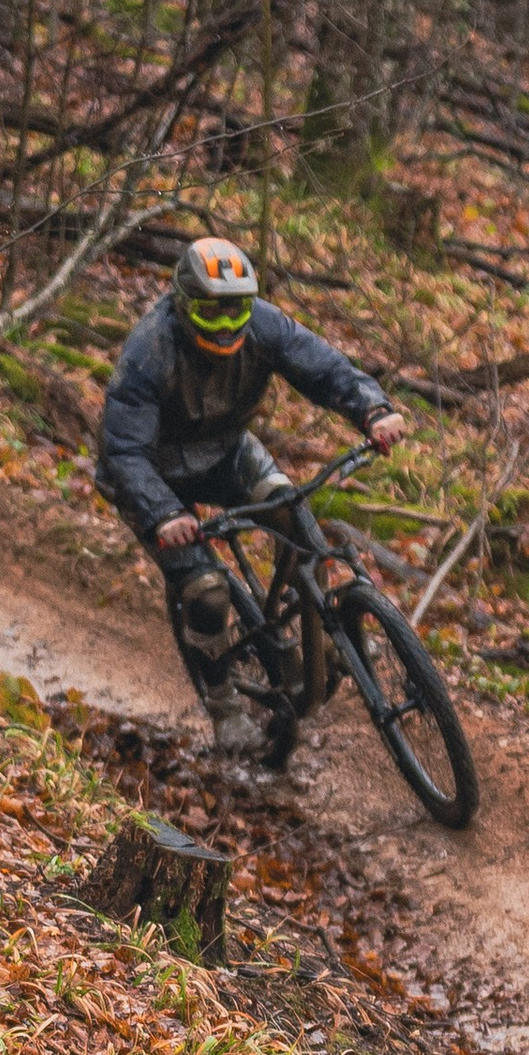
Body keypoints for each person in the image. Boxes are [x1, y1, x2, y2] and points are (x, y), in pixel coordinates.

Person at [95, 236, 408, 754]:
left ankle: (312, 629)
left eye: (235, 310)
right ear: (183, 302)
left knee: (297, 519)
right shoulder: (150, 348)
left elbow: (322, 365)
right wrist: (164, 513)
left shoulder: (263, 323)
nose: (224, 324)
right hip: (153, 474)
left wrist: (371, 409)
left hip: (225, 450)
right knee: (206, 593)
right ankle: (223, 704)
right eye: (210, 312)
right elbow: (124, 451)